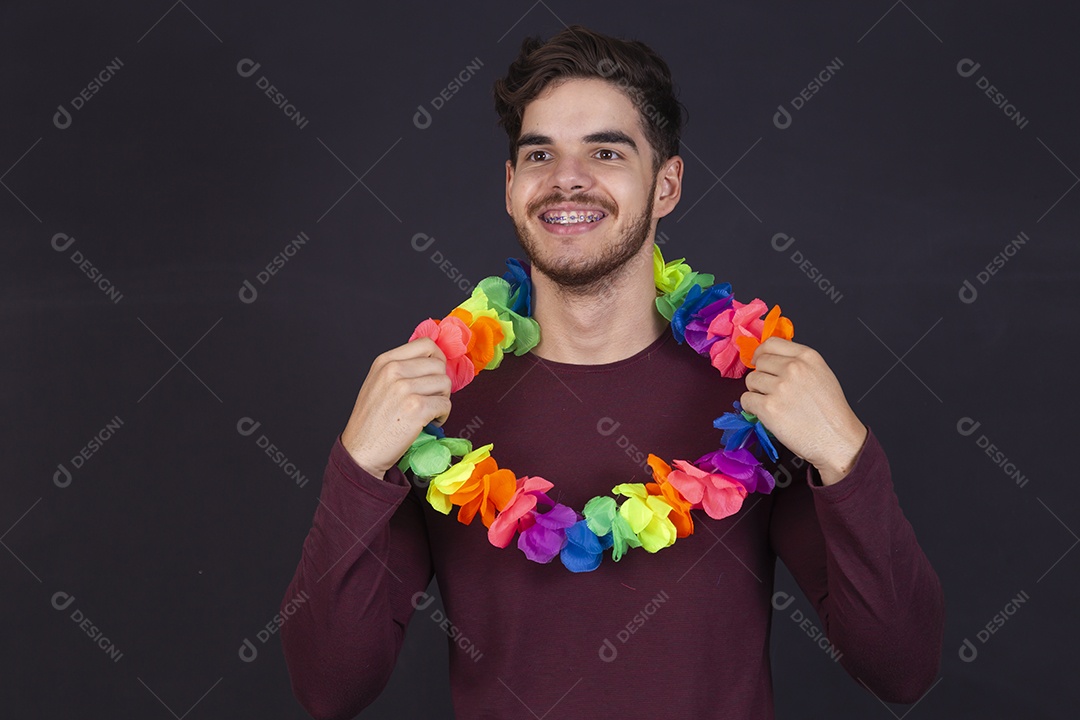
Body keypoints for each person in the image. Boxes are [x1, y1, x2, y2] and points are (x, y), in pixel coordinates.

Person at [279, 24, 944, 720]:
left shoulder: (756, 397)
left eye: (605, 150)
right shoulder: (433, 403)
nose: (567, 178)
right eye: (540, 154)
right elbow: (330, 689)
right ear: (510, 187)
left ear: (666, 185)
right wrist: (355, 468)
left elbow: (901, 669)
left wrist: (847, 456)